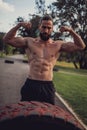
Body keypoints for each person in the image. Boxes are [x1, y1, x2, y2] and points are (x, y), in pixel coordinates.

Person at [3, 14, 86, 105]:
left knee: (48, 116)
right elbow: (7, 39)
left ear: (52, 29)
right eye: (44, 27)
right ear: (39, 27)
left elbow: (81, 46)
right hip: (31, 84)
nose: (46, 30)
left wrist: (71, 31)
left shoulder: (58, 45)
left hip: (47, 86)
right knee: (26, 115)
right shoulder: (29, 42)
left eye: (49, 28)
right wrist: (18, 25)